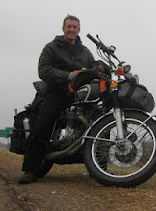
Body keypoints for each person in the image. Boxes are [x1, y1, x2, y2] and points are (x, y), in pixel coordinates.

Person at [19, 15, 95, 184]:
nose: (71, 30)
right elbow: (43, 70)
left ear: (79, 30)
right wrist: (68, 75)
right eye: (69, 26)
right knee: (44, 123)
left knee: (97, 118)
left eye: (75, 27)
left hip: (80, 92)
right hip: (57, 90)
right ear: (63, 28)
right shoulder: (51, 48)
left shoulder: (85, 52)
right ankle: (30, 170)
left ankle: (98, 168)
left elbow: (93, 68)